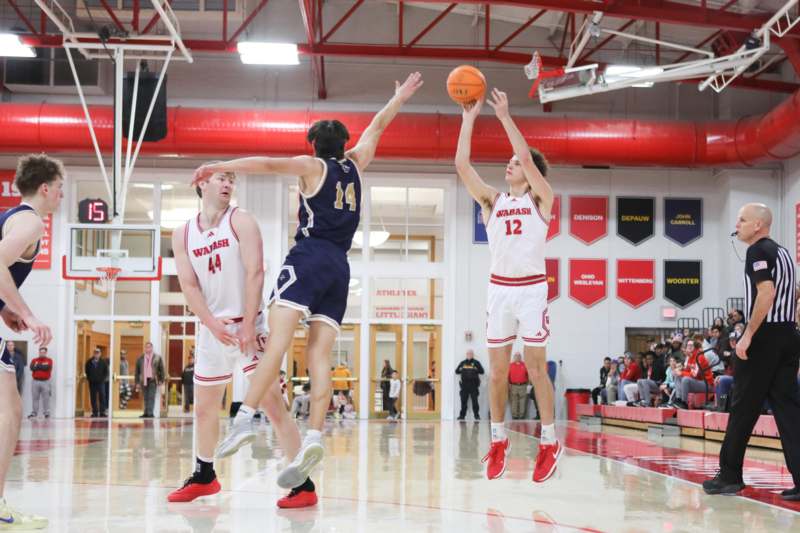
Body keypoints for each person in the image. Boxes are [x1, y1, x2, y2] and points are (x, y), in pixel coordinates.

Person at [206, 73, 424, 497]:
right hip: (341, 267)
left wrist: (222, 166)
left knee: (277, 345)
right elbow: (378, 125)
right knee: (319, 354)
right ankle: (315, 437)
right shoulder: (356, 164)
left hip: (309, 257)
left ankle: (245, 418)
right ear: (344, 143)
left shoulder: (312, 167)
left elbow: (268, 165)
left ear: (313, 145)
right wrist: (397, 96)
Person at [167, 167, 319, 509]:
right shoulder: (182, 233)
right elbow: (189, 285)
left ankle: (304, 485)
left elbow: (256, 272)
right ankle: (204, 474)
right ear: (201, 183)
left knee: (274, 408)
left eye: (231, 180)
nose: (227, 184)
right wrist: (209, 322)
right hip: (212, 331)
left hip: (247, 327)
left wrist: (249, 323)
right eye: (221, 178)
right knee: (204, 409)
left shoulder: (241, 220)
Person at [456, 88, 560, 483]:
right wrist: (469, 118)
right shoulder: (492, 201)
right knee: (497, 374)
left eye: (517, 162)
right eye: (509, 161)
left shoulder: (542, 198)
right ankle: (498, 439)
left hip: (532, 289)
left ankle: (549, 442)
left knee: (536, 368)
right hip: (499, 290)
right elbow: (462, 165)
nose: (509, 164)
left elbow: (530, 164)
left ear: (531, 170)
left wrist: (504, 117)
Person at [704, 203, 800, 498]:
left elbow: (766, 292)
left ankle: (729, 476)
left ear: (759, 224)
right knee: (788, 410)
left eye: (743, 220)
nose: (739, 225)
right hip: (788, 335)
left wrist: (747, 335)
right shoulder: (783, 253)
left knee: (743, 406)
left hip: (764, 339)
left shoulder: (757, 251)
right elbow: (790, 294)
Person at [0, 153, 62, 529]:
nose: (60, 195)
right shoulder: (31, 222)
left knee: (12, 409)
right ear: (44, 188)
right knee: (9, 412)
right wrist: (27, 313)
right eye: (58, 189)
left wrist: (6, 309)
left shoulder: (12, 216)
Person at [135, 342, 165, 418]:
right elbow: (137, 372)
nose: (148, 348)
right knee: (145, 397)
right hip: (143, 380)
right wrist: (137, 382)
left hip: (152, 380)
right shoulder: (140, 358)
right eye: (146, 347)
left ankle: (150, 413)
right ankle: (145, 413)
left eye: (149, 347)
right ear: (145, 348)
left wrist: (161, 380)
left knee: (151, 397)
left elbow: (161, 370)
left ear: (152, 348)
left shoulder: (157, 358)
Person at [455, 349, 484, 421]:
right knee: (463, 401)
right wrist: (460, 369)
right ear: (466, 354)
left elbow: (482, 371)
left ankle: (476, 416)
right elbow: (456, 371)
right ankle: (462, 416)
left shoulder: (476, 362)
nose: (469, 355)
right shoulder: (462, 363)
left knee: (475, 401)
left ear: (473, 355)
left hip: (473, 385)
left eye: (471, 354)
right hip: (464, 386)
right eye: (468, 354)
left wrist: (477, 369)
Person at [28, 346, 53, 419]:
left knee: (46, 398)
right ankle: (34, 412)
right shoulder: (34, 360)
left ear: (46, 353)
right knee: (35, 398)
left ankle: (46, 413)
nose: (42, 353)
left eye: (43, 352)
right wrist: (41, 366)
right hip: (35, 381)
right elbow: (32, 368)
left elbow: (47, 368)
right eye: (40, 352)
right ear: (39, 352)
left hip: (45, 382)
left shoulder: (49, 360)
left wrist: (38, 366)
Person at [85, 348, 108, 417]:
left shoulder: (103, 362)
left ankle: (102, 412)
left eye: (98, 353)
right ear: (93, 353)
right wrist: (90, 379)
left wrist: (102, 379)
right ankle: (95, 412)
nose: (96, 354)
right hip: (92, 383)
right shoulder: (89, 362)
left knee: (102, 397)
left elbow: (106, 372)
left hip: (101, 383)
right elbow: (87, 371)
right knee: (93, 398)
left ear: (100, 354)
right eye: (95, 353)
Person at [508, 353, 529, 420]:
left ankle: (521, 416)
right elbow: (507, 376)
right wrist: (508, 385)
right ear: (514, 357)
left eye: (519, 356)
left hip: (523, 386)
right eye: (516, 356)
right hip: (513, 386)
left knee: (522, 401)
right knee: (514, 401)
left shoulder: (525, 365)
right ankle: (515, 416)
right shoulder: (510, 365)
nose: (518, 357)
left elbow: (528, 375)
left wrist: (528, 384)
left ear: (521, 357)